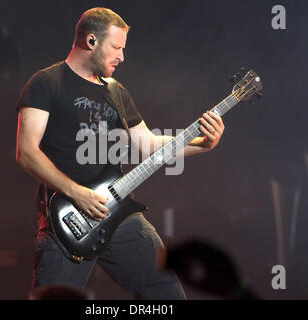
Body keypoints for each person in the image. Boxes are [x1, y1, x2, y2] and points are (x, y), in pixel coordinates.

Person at [15, 7, 225, 300]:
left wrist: (201, 144)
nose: (122, 56)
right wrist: (77, 193)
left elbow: (148, 146)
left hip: (118, 215)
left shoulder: (116, 92)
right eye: (116, 47)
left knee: (167, 293)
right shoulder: (46, 83)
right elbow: (26, 152)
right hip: (65, 222)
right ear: (91, 41)